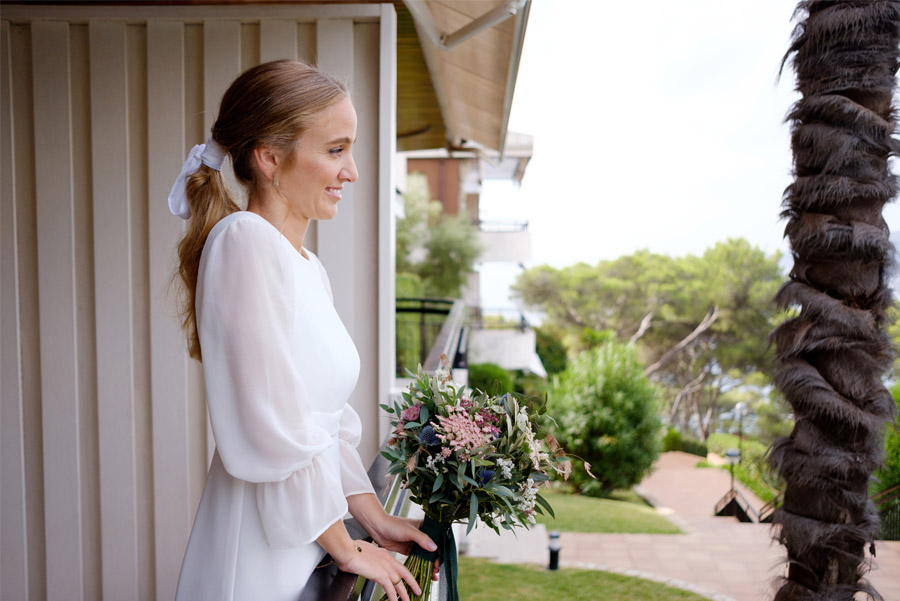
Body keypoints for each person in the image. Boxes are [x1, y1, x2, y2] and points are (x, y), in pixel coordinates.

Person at [168, 60, 436, 601]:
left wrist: (371, 516)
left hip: (308, 539)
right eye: (335, 150)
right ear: (269, 157)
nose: (352, 171)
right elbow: (271, 429)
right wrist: (348, 547)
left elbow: (326, 425)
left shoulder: (308, 266)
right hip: (260, 554)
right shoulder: (243, 241)